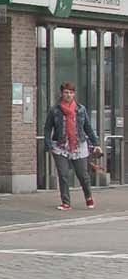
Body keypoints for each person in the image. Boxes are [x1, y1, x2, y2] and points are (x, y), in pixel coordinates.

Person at [46, 81, 101, 209]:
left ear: (74, 94)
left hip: (78, 145)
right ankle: (66, 202)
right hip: (60, 146)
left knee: (83, 175)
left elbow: (88, 127)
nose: (68, 95)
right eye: (66, 92)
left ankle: (88, 196)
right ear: (61, 93)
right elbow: (48, 128)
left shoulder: (81, 109)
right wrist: (48, 144)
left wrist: (96, 143)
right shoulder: (54, 110)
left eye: (71, 92)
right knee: (63, 174)